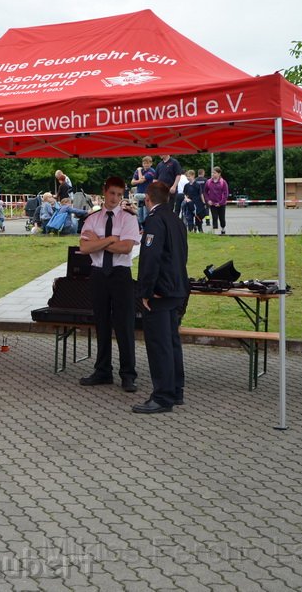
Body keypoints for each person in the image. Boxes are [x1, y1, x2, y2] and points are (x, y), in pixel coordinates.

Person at [77, 177, 142, 392]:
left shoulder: (128, 218)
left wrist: (99, 241)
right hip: (98, 275)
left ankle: (128, 374)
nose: (115, 198)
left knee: (124, 325)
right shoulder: (93, 218)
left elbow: (125, 248)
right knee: (102, 323)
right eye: (112, 193)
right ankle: (103, 370)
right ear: (104, 192)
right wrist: (111, 239)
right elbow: (84, 248)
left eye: (119, 194)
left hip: (121, 275)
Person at [133, 180, 189, 414]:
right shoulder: (176, 220)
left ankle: (162, 396)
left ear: (148, 199)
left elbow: (150, 258)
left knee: (159, 345)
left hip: (160, 292)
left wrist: (145, 291)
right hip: (176, 288)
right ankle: (175, 390)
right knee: (172, 343)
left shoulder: (155, 221)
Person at [130, 156, 157, 225]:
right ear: (142, 163)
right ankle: (143, 228)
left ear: (151, 164)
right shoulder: (140, 170)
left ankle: (148, 228)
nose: (146, 165)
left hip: (147, 194)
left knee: (146, 213)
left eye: (147, 163)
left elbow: (141, 180)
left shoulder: (151, 171)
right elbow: (132, 182)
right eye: (144, 163)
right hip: (140, 194)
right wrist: (139, 180)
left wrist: (139, 171)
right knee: (140, 214)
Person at [204, 166, 229, 235]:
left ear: (219, 174)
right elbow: (205, 192)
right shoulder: (208, 182)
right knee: (214, 217)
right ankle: (214, 232)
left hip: (221, 204)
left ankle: (223, 229)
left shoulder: (223, 182)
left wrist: (220, 203)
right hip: (212, 203)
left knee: (222, 218)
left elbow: (226, 193)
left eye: (214, 173)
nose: (213, 174)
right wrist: (208, 200)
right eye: (212, 173)